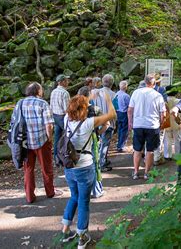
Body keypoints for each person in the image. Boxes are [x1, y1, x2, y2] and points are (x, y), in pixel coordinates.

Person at [60, 92, 116, 247]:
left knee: (74, 197)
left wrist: (87, 98)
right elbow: (112, 114)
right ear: (84, 109)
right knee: (84, 202)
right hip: (84, 167)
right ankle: (82, 237)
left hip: (69, 167)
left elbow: (76, 106)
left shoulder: (66, 120)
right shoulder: (88, 123)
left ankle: (65, 230)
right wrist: (107, 99)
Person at [15, 82, 55, 204]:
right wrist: (50, 138)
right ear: (38, 91)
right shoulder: (42, 103)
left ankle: (29, 196)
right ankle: (50, 192)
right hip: (41, 140)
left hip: (25, 142)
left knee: (28, 169)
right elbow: (48, 124)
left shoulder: (20, 103)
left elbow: (15, 122)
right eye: (41, 89)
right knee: (46, 168)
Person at [128, 74, 166, 180]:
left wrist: (130, 122)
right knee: (150, 150)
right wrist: (161, 123)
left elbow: (130, 110)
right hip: (152, 125)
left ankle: (135, 172)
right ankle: (146, 173)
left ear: (144, 82)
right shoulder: (158, 95)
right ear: (154, 84)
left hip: (138, 124)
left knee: (137, 149)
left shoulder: (136, 93)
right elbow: (163, 113)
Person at [78, 86, 106, 199]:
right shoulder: (95, 109)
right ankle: (96, 190)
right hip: (92, 139)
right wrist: (98, 133)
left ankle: (83, 190)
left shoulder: (74, 109)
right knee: (94, 163)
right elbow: (106, 124)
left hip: (77, 140)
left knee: (80, 164)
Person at [93, 74, 116, 172]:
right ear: (112, 83)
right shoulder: (114, 95)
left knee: (97, 143)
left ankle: (99, 161)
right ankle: (101, 164)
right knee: (105, 144)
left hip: (97, 121)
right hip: (109, 123)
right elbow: (116, 111)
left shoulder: (95, 93)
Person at [50, 74, 71, 160]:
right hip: (63, 117)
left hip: (55, 116)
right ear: (62, 82)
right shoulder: (65, 93)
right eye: (66, 80)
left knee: (57, 138)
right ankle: (67, 155)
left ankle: (56, 157)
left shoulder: (53, 91)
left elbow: (51, 106)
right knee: (69, 136)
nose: (68, 82)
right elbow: (67, 109)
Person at [153, 73, 168, 166]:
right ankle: (157, 158)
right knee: (160, 137)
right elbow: (165, 103)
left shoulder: (147, 90)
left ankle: (149, 157)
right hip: (159, 115)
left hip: (149, 116)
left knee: (150, 137)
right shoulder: (161, 90)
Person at [163, 93, 181, 159]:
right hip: (176, 121)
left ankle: (167, 155)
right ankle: (178, 155)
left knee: (167, 139)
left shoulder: (164, 101)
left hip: (167, 121)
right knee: (178, 139)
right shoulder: (179, 101)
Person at [114, 80, 130, 152]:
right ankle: (121, 146)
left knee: (120, 129)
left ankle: (119, 144)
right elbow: (129, 105)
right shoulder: (126, 96)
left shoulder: (116, 94)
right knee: (124, 130)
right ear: (126, 87)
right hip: (124, 113)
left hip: (118, 112)